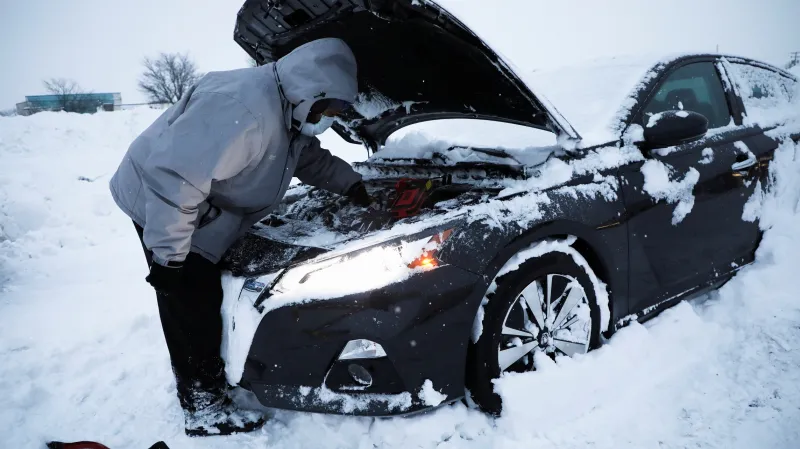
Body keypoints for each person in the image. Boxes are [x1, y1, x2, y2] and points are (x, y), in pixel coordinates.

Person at [108, 38, 372, 437]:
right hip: (160, 201)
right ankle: (203, 407)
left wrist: (351, 184)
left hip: (204, 201)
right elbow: (174, 179)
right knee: (190, 300)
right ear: (312, 91)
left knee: (205, 289)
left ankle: (217, 369)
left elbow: (302, 155)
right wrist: (168, 260)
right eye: (329, 108)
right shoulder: (242, 109)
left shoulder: (289, 105)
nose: (330, 118)